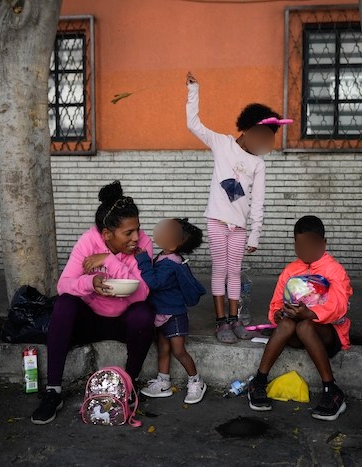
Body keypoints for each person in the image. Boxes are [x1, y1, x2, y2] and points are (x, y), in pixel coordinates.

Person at [31, 180, 155, 425]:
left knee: (145, 312)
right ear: (107, 234)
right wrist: (91, 282)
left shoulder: (144, 245)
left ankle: (128, 386)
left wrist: (108, 260)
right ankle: (53, 390)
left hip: (124, 321)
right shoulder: (88, 241)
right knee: (64, 303)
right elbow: (64, 284)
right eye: (128, 232)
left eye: (137, 229)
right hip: (91, 319)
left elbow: (142, 291)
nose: (136, 237)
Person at [186, 70, 291, 344]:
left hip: (240, 228)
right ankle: (221, 322)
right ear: (247, 129)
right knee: (220, 269)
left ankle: (235, 320)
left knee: (235, 271)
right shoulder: (221, 144)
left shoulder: (259, 164)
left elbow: (258, 201)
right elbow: (194, 124)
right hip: (217, 222)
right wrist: (194, 90)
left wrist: (255, 233)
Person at [247, 215, 353, 421]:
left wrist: (311, 314)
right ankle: (258, 382)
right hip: (295, 332)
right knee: (286, 323)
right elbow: (276, 302)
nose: (306, 252)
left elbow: (339, 306)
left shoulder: (334, 270)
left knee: (305, 326)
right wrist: (277, 314)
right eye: (300, 246)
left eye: (312, 246)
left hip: (326, 335)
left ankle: (332, 391)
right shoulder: (290, 270)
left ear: (323, 244)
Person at [135, 218, 208, 404]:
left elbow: (155, 282)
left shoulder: (171, 263)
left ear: (174, 243)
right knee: (163, 348)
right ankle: (163, 381)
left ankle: (196, 381)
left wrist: (142, 260)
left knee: (178, 351)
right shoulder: (164, 256)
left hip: (174, 314)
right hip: (161, 313)